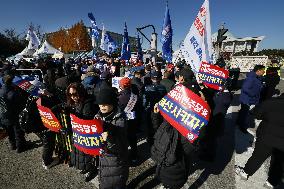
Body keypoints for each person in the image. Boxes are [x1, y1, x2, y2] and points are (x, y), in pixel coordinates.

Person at [235, 93, 284, 187]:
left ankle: (245, 173)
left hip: (266, 136)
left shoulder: (272, 102)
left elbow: (257, 113)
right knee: (279, 162)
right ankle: (271, 182)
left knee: (257, 157)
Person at [95, 88, 129, 189]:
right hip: (102, 159)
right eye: (100, 104)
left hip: (115, 161)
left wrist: (110, 137)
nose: (102, 106)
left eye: (105, 104)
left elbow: (120, 146)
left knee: (115, 183)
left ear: (113, 103)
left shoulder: (120, 120)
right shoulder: (97, 117)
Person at [65, 82, 99, 182]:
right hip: (78, 133)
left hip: (87, 134)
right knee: (80, 153)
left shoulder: (87, 103)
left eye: (74, 94)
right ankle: (86, 168)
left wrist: (72, 114)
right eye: (70, 94)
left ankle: (91, 169)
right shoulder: (76, 101)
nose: (72, 97)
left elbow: (85, 120)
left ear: (81, 92)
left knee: (87, 154)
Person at [0, 73, 29, 153]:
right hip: (13, 115)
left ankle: (13, 145)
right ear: (12, 82)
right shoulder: (13, 93)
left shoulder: (1, 90)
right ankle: (21, 147)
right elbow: (21, 104)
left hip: (3, 114)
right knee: (18, 131)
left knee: (9, 131)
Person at [236, 65, 265, 134]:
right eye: (263, 70)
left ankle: (239, 122)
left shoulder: (256, 77)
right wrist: (253, 94)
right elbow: (245, 88)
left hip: (248, 99)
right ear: (258, 71)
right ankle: (242, 127)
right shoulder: (251, 78)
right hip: (247, 99)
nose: (264, 72)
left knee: (243, 112)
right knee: (244, 114)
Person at [118, 77, 141, 163]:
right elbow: (139, 109)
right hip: (133, 121)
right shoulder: (135, 96)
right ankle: (134, 156)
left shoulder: (119, 97)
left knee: (122, 140)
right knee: (132, 139)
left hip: (122, 121)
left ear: (121, 86)